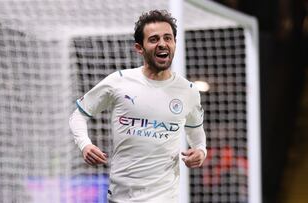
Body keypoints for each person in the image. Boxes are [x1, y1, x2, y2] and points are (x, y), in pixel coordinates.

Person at [69, 9, 207, 203]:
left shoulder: (188, 91)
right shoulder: (119, 81)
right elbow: (78, 115)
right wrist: (85, 144)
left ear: (174, 43)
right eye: (154, 39)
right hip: (121, 198)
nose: (162, 43)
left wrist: (200, 150)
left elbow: (196, 132)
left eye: (168, 38)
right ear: (139, 48)